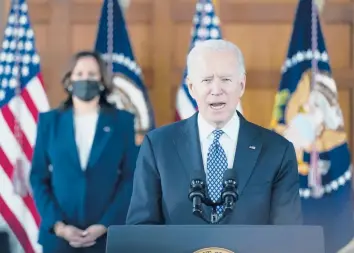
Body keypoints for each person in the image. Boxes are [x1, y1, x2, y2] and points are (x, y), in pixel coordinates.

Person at [126, 39, 303, 225]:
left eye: (226, 79)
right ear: (192, 87)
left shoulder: (277, 150)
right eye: (207, 80)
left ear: (241, 85)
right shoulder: (158, 146)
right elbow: (140, 229)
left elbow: (288, 234)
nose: (216, 90)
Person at [30, 51, 137, 253]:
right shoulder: (49, 122)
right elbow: (38, 177)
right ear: (69, 80)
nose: (85, 79)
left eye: (92, 74)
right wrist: (59, 227)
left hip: (107, 238)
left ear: (102, 80)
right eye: (79, 74)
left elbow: (130, 178)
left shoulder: (122, 122)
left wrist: (106, 225)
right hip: (58, 239)